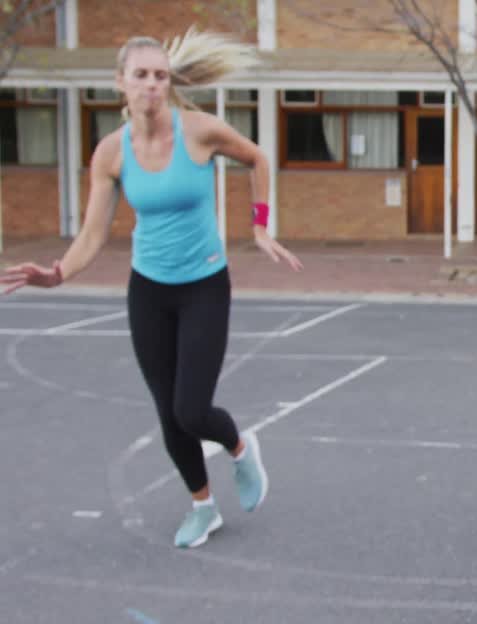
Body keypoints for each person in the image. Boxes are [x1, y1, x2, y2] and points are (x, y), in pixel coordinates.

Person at [1, 28, 302, 549]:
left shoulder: (200, 132)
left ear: (169, 84)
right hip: (149, 292)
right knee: (168, 414)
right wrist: (58, 273)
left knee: (191, 409)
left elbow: (257, 158)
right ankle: (202, 507)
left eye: (160, 76)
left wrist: (258, 225)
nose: (152, 85)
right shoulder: (111, 154)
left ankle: (238, 447)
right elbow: (94, 233)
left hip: (204, 286)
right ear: (121, 82)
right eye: (140, 75)